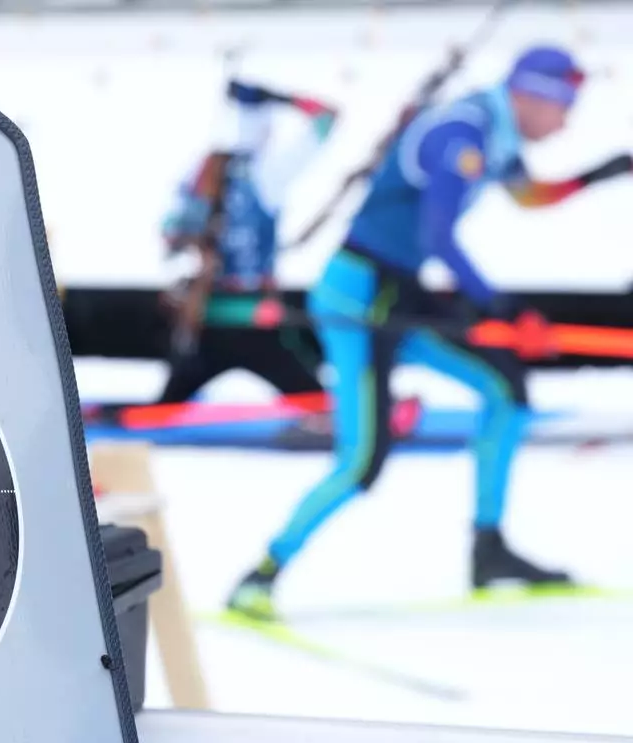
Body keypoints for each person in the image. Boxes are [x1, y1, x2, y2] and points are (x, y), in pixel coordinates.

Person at [227, 45, 633, 618]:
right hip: (358, 300)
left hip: (399, 292)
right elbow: (440, 234)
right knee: (362, 459)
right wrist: (500, 306)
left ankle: (489, 550)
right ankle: (261, 573)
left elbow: (527, 196)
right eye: (562, 108)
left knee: (504, 392)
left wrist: (597, 176)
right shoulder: (462, 132)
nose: (565, 122)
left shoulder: (495, 131)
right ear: (532, 96)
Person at [156, 80, 336, 406]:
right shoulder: (267, 172)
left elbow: (170, 234)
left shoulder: (206, 169)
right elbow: (327, 119)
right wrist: (283, 96)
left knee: (163, 408)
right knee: (316, 404)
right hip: (255, 320)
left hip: (207, 319)